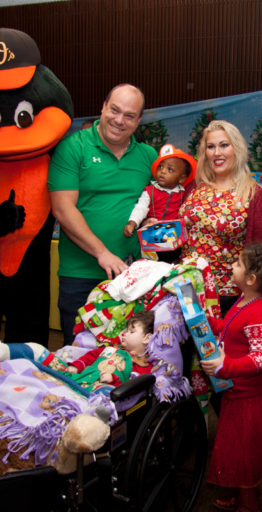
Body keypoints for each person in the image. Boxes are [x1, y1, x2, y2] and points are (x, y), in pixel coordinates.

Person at [48, 84, 157, 346]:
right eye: (114, 110)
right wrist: (102, 253)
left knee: (129, 357)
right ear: (103, 107)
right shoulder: (73, 148)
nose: (119, 120)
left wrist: (153, 222)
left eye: (129, 115)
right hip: (81, 275)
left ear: (139, 120)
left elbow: (156, 203)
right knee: (77, 357)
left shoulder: (149, 156)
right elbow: (63, 208)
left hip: (133, 277)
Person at [201, 243, 262, 512]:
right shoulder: (246, 300)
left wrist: (226, 365)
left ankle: (248, 505)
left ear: (251, 279)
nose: (232, 266)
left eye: (238, 264)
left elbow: (261, 358)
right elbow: (229, 328)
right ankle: (238, 496)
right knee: (238, 457)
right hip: (239, 394)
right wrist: (207, 322)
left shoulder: (261, 313)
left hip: (251, 401)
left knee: (245, 463)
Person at [179, 120, 262, 314]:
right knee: (185, 344)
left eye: (224, 145)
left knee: (219, 345)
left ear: (237, 149)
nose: (217, 153)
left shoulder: (255, 195)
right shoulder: (193, 188)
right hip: (186, 288)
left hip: (228, 295)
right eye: (211, 147)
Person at [0, 310, 154, 390]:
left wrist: (113, 379)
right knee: (38, 350)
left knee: (106, 395)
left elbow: (135, 385)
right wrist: (76, 365)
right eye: (125, 330)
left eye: (131, 331)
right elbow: (89, 358)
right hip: (74, 377)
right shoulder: (109, 350)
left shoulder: (144, 364)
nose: (124, 335)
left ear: (147, 338)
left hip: (95, 391)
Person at [123, 144, 196, 237]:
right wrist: (132, 224)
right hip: (152, 236)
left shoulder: (183, 194)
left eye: (170, 169)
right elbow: (140, 208)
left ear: (182, 179)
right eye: (160, 167)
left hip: (174, 237)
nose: (163, 171)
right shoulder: (150, 191)